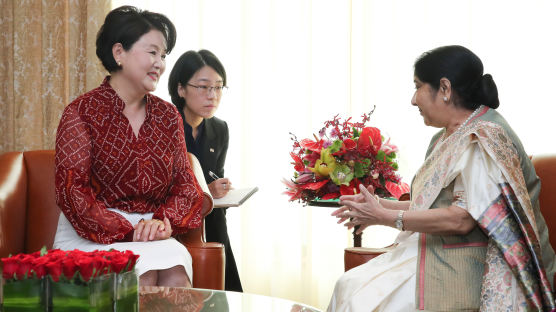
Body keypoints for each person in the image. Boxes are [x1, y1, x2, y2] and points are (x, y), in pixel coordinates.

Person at [328, 45, 556, 311]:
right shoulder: (447, 135)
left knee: (361, 298)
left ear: (444, 89)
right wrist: (376, 206)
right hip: (444, 248)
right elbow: (433, 203)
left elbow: (461, 219)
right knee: (350, 285)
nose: (413, 99)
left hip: (477, 262)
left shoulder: (483, 137)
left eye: (418, 86)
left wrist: (384, 217)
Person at [53, 6, 212, 287]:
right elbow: (72, 191)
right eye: (152, 52)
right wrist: (128, 230)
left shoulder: (168, 116)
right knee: (143, 275)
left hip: (153, 231)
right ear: (119, 53)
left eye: (163, 56)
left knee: (175, 275)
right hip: (91, 234)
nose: (161, 64)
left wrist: (163, 222)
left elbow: (185, 186)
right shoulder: (81, 112)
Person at [167, 49, 242, 292]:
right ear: (181, 89)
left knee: (224, 291)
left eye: (219, 87)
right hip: (172, 226)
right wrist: (203, 190)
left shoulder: (220, 129)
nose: (212, 96)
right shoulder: (163, 125)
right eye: (203, 87)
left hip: (212, 222)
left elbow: (214, 175)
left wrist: (219, 189)